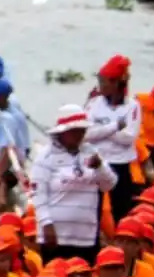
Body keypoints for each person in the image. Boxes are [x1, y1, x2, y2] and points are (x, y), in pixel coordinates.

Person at [32, 105, 116, 264]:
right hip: (56, 236)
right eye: (75, 130)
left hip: (86, 236)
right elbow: (38, 194)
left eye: (82, 130)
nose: (80, 134)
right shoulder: (45, 157)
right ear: (63, 132)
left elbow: (109, 185)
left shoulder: (91, 151)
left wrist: (100, 167)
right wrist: (46, 224)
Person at [85, 56, 142, 220]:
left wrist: (100, 131)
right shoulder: (94, 103)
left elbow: (129, 138)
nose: (100, 86)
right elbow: (87, 135)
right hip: (97, 163)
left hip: (121, 165)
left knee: (122, 212)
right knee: (93, 212)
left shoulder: (132, 106)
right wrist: (115, 127)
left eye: (103, 82)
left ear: (116, 83)